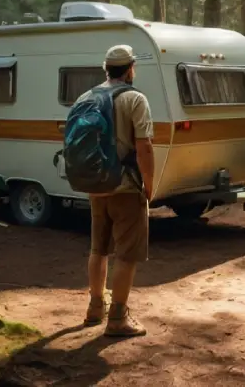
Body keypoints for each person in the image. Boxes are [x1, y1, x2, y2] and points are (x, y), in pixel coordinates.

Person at [82, 44, 155, 337]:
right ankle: (118, 318)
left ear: (106, 69)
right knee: (126, 253)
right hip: (126, 188)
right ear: (130, 68)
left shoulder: (88, 96)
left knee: (98, 248)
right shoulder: (134, 99)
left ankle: (94, 308)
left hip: (97, 186)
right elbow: (144, 147)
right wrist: (150, 185)